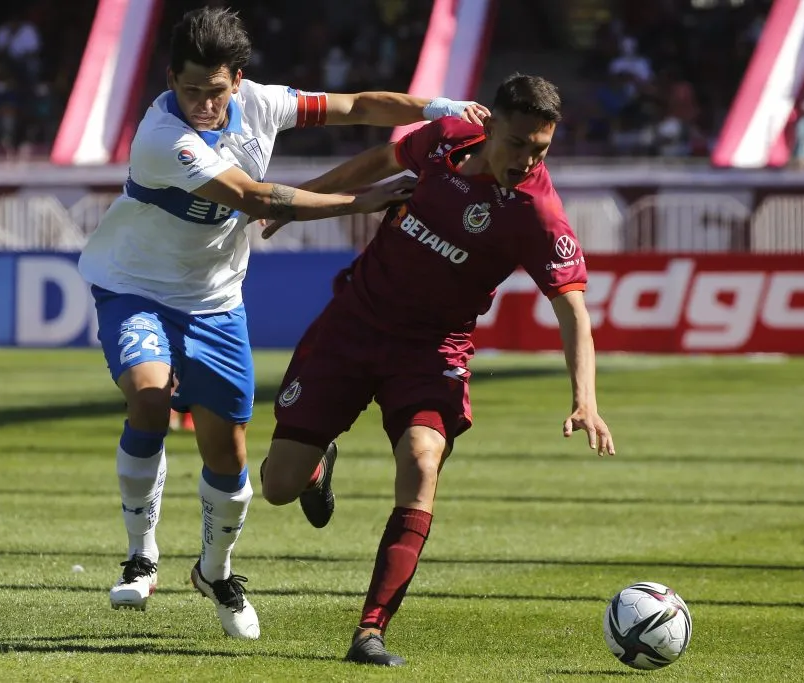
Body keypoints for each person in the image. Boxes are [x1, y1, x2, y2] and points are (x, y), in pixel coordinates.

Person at [76, 6, 488, 640]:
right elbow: (255, 198)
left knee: (229, 451)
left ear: (236, 80)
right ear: (170, 80)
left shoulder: (264, 103)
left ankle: (215, 571)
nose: (202, 104)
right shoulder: (162, 136)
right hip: (134, 286)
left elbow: (354, 107)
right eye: (188, 90)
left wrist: (436, 106)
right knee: (150, 395)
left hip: (214, 301)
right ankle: (141, 555)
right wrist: (362, 200)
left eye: (213, 92)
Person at [258, 74, 616, 665]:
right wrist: (302, 203)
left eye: (541, 150)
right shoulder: (447, 138)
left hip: (432, 351)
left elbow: (572, 307)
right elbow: (379, 159)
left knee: (422, 463)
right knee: (277, 488)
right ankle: (316, 464)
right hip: (352, 325)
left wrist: (586, 399)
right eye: (519, 143)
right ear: (490, 125)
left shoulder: (537, 211)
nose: (527, 160)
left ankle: (370, 630)